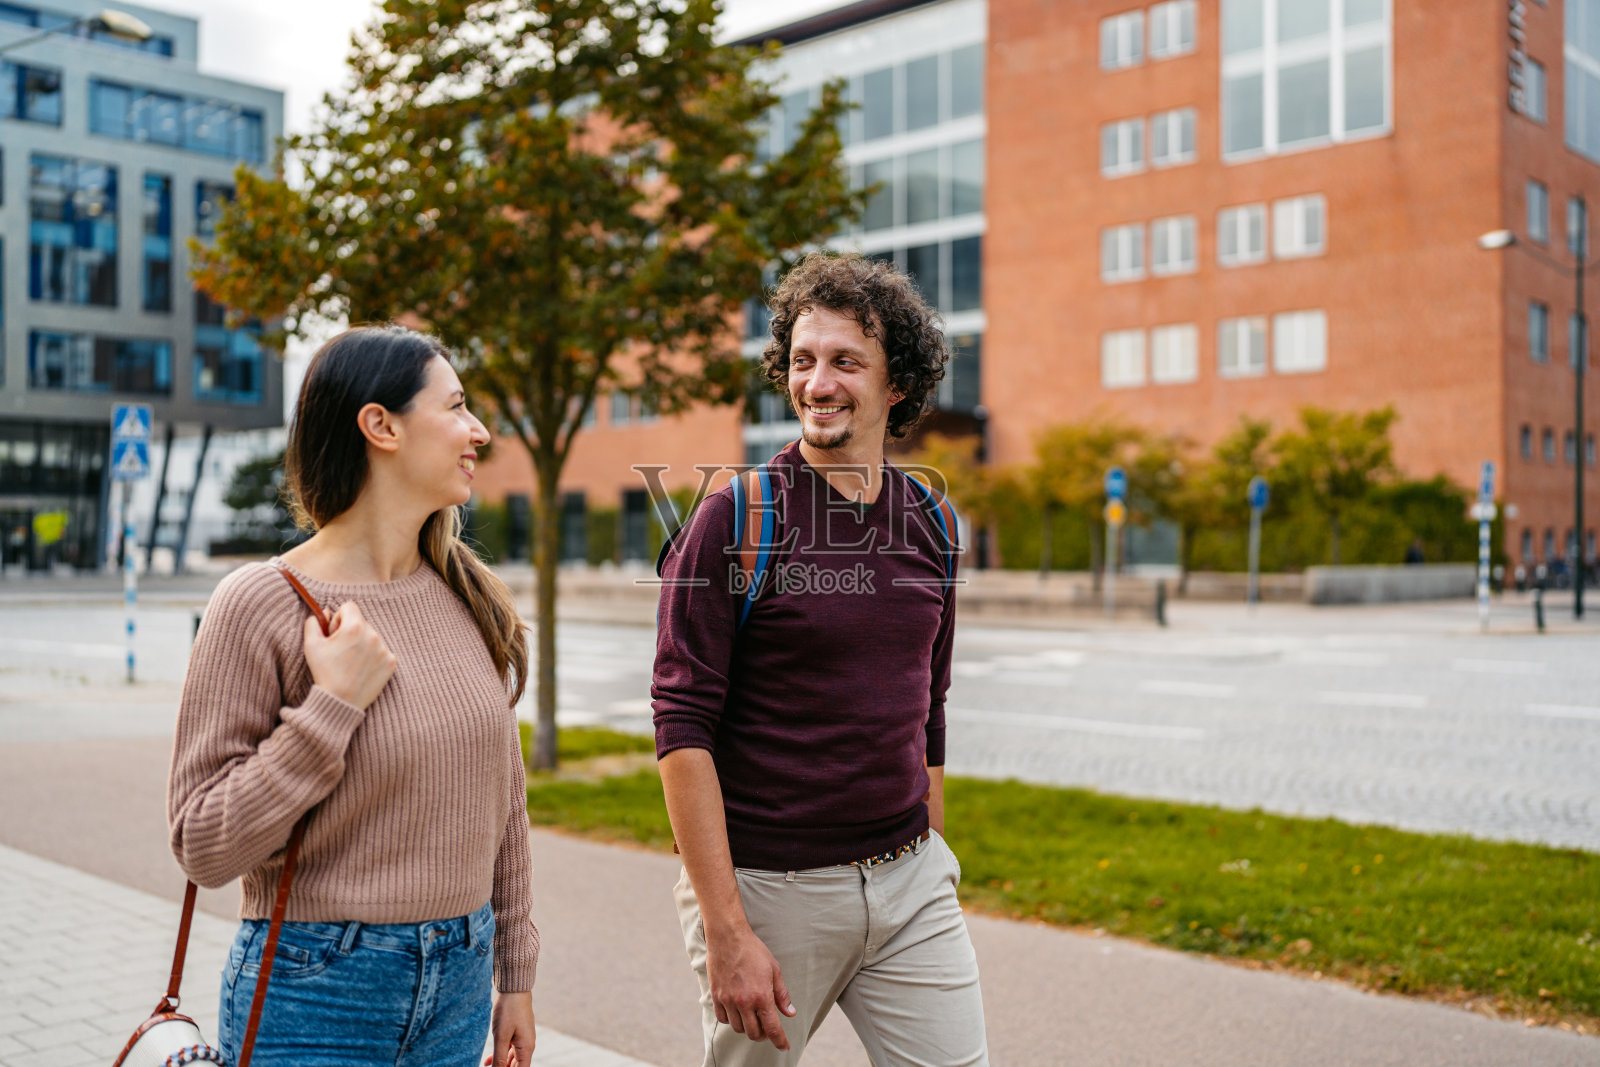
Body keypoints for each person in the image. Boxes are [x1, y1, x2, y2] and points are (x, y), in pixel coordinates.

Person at [168, 325, 539, 1067]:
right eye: (457, 406)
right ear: (381, 425)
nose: (479, 430)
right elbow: (203, 844)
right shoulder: (262, 602)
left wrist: (516, 976)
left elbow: (504, 803)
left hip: (461, 983)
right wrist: (330, 708)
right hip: (315, 988)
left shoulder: (467, 594)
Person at [652, 252, 988, 1066]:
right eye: (804, 360)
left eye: (846, 361)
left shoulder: (934, 525)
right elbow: (681, 726)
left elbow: (927, 710)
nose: (819, 382)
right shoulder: (736, 516)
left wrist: (931, 855)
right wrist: (726, 927)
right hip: (772, 892)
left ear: (896, 383)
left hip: (909, 888)